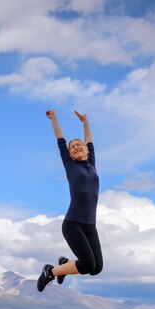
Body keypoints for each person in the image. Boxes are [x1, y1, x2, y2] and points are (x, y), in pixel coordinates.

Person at [37, 109, 103, 292]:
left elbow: (90, 141)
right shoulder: (71, 166)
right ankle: (50, 271)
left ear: (86, 150)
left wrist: (85, 122)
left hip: (90, 226)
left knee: (96, 268)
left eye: (78, 145)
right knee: (87, 264)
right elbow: (61, 141)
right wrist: (54, 119)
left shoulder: (91, 164)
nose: (75, 147)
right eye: (72, 148)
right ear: (70, 155)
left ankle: (66, 264)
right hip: (73, 224)